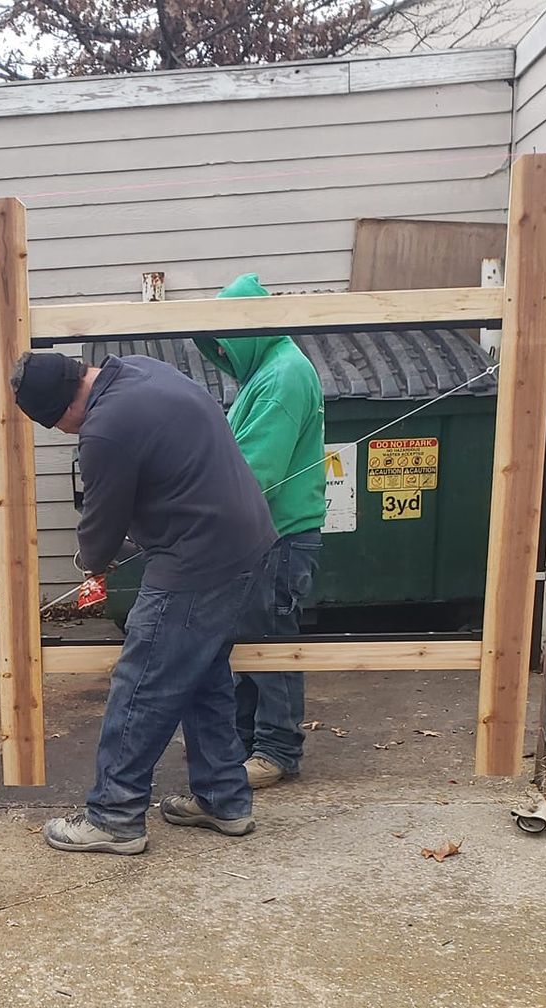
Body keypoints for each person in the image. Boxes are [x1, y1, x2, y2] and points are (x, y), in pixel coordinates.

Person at [11, 348, 276, 855]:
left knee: (142, 685)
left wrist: (93, 563)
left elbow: (103, 522)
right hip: (245, 543)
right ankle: (224, 800)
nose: (64, 433)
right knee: (202, 675)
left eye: (56, 425)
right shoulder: (141, 370)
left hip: (197, 559)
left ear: (63, 408)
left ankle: (115, 814)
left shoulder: (105, 428)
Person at [195, 275, 327, 790]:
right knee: (251, 639)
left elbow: (256, 469)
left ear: (249, 327)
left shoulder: (282, 374)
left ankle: (276, 748)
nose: (222, 350)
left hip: (279, 537)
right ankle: (252, 741)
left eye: (226, 338)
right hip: (266, 534)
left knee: (270, 640)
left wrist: (196, 515)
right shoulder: (269, 372)